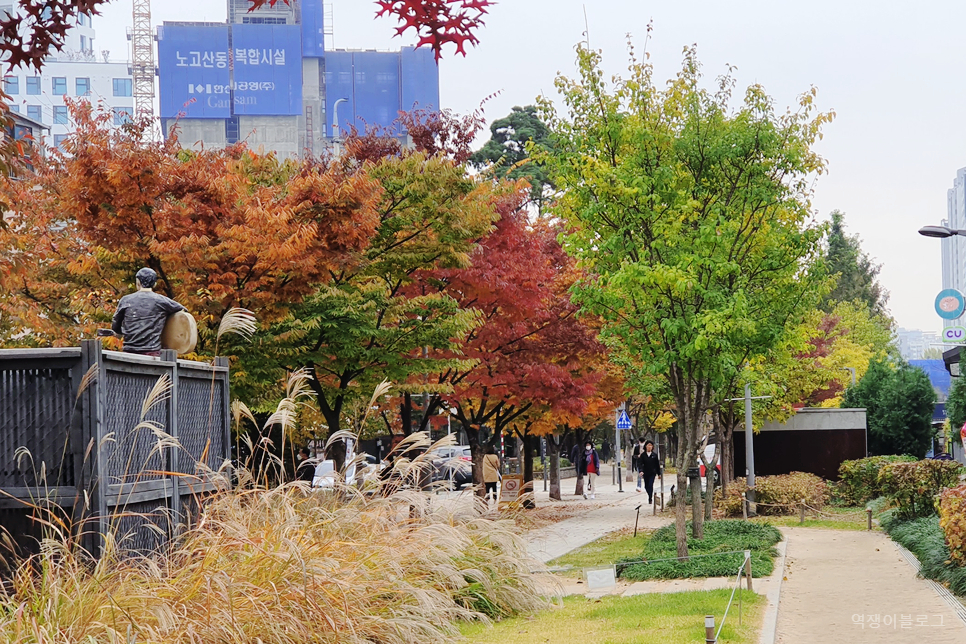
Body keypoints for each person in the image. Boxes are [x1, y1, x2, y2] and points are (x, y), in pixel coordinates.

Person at [111, 267, 186, 356]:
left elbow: (115, 326)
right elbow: (183, 311)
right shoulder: (161, 301)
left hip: (129, 351)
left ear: (138, 282)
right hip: (152, 352)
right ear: (154, 284)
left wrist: (124, 332)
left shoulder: (126, 300)